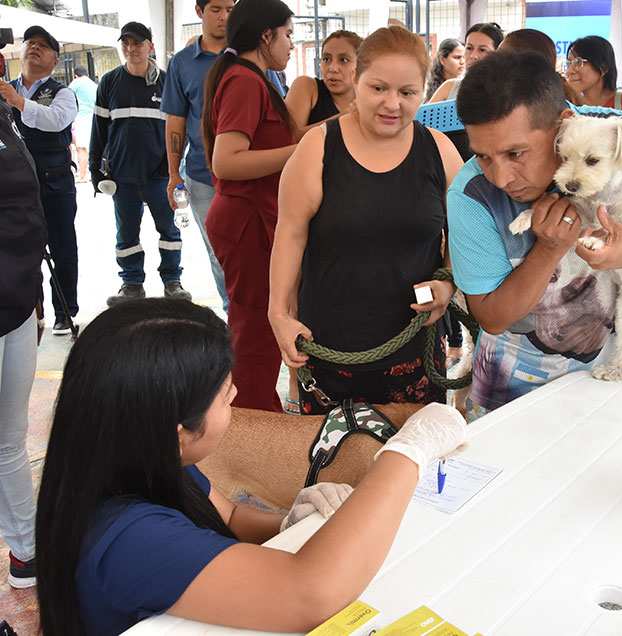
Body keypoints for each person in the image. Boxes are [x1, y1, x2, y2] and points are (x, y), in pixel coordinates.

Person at [34, 298, 467, 636]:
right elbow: (311, 592)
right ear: (179, 429)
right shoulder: (129, 537)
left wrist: (288, 523)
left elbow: (231, 516)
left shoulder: (137, 458)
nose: (236, 395)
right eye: (225, 396)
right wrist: (409, 449)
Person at [448, 51, 622, 415]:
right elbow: (494, 317)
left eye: (516, 153)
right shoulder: (471, 194)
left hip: (613, 385)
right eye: (483, 156)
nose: (500, 178)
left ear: (563, 125)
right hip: (510, 395)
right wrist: (548, 250)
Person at [269, 26, 464, 415]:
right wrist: (278, 314)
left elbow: (463, 239)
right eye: (379, 88)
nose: (392, 104)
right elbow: (290, 235)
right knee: (335, 470)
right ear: (357, 82)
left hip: (415, 348)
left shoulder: (440, 152)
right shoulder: (318, 147)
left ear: (423, 92)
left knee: (410, 468)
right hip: (329, 348)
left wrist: (448, 284)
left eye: (407, 93)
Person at [202, 0, 298, 413]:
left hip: (249, 219)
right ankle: (251, 420)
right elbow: (227, 160)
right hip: (245, 222)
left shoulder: (253, 79)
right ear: (266, 36)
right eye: (288, 34)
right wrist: (302, 150)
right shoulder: (244, 81)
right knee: (256, 330)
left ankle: (252, 413)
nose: (292, 44)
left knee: (254, 325)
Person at [90, 23, 192, 306]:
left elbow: (179, 129)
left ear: (151, 46)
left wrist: (175, 169)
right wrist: (95, 170)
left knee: (169, 231)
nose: (131, 49)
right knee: (126, 233)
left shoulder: (167, 81)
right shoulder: (109, 82)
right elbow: (98, 130)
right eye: (126, 43)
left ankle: (172, 281)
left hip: (161, 174)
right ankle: (132, 284)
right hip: (122, 175)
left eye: (138, 43)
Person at [0, 26, 79, 336]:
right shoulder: (7, 87)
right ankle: (32, 309)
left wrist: (18, 102)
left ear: (55, 60)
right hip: (14, 187)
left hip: (54, 183)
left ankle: (65, 310)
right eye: (31, 43)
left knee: (62, 247)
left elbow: (56, 121)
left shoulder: (62, 92)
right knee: (23, 245)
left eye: (43, 46)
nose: (35, 48)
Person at [0, 89, 47, 589]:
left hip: (14, 300)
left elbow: (27, 212)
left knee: (8, 439)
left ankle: (27, 552)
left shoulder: (6, 118)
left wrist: (34, 293)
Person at [162, 0, 235, 313]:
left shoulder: (250, 54)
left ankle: (259, 315)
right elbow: (175, 120)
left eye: (230, 9)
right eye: (216, 9)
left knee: (259, 251)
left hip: (249, 174)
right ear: (199, 12)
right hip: (202, 177)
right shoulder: (182, 64)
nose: (224, 16)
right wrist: (173, 174)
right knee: (219, 253)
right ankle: (234, 312)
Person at [286, 30, 362, 141]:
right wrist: (345, 116)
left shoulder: (368, 99)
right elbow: (290, 137)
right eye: (326, 59)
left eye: (344, 60)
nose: (332, 68)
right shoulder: (307, 86)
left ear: (360, 65)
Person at [565, 35, 622, 123]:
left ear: (603, 67)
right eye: (569, 63)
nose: (569, 71)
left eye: (578, 63)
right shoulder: (566, 105)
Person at [428, 22, 503, 103]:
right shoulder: (450, 88)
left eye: (482, 50)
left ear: (497, 54)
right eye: (469, 48)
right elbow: (424, 115)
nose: (473, 56)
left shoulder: (507, 93)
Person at [68, 66, 97, 182]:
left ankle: (83, 175)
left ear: (75, 75)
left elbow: (67, 97)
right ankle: (92, 173)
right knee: (91, 148)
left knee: (81, 148)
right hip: (93, 118)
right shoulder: (93, 84)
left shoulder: (75, 84)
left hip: (81, 118)